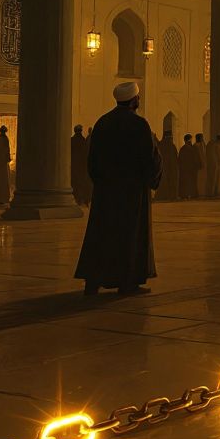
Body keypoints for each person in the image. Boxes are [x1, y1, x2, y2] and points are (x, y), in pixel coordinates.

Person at [75, 82, 161, 295]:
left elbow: (92, 160)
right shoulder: (139, 125)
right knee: (128, 235)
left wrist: (101, 183)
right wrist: (152, 180)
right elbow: (150, 157)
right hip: (132, 193)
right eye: (138, 98)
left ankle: (93, 280)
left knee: (102, 234)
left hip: (106, 192)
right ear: (134, 101)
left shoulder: (103, 123)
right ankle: (127, 282)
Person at [70, 125, 92, 206]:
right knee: (80, 182)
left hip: (73, 165)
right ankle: (80, 199)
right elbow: (85, 153)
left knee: (74, 182)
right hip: (81, 165)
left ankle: (76, 198)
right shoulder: (83, 141)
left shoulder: (72, 140)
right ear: (81, 130)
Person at [156, 130, 179, 201]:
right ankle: (171, 196)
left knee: (163, 182)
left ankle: (163, 196)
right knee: (171, 181)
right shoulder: (172, 145)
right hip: (171, 167)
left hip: (163, 166)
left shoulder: (161, 145)